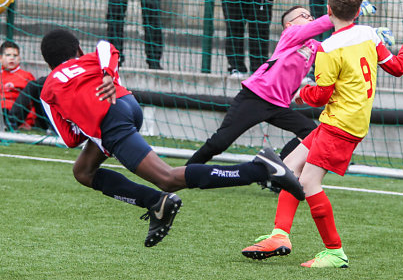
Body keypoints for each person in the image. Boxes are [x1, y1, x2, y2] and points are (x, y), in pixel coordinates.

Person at [39, 29, 305, 248]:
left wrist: (80, 116)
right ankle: (156, 202)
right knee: (83, 171)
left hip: (111, 123)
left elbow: (70, 139)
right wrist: (108, 73)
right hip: (129, 105)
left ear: (48, 64)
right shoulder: (90, 59)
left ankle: (260, 170)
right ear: (77, 51)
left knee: (167, 178)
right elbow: (106, 45)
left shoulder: (49, 87)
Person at [241, 0, 403, 268]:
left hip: (341, 124)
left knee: (308, 181)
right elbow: (398, 67)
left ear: (328, 9)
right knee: (288, 166)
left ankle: (335, 251)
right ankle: (279, 235)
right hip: (342, 120)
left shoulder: (327, 49)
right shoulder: (370, 35)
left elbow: (321, 96)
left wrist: (301, 93)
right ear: (357, 11)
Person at [186, 0, 382, 166]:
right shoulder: (290, 35)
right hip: (255, 97)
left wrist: (371, 37)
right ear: (290, 24)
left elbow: (341, 47)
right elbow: (320, 26)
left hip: (279, 106)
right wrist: (345, 11)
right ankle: (186, 172)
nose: (311, 19)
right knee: (220, 143)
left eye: (310, 16)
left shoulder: (314, 46)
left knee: (310, 133)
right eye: (304, 16)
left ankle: (276, 170)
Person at [0, 40, 37, 129]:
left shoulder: (26, 76)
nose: (12, 58)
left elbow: (33, 101)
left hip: (15, 114)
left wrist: (29, 121)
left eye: (15, 55)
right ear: (0, 58)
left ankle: (9, 125)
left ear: (19, 58)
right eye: (8, 55)